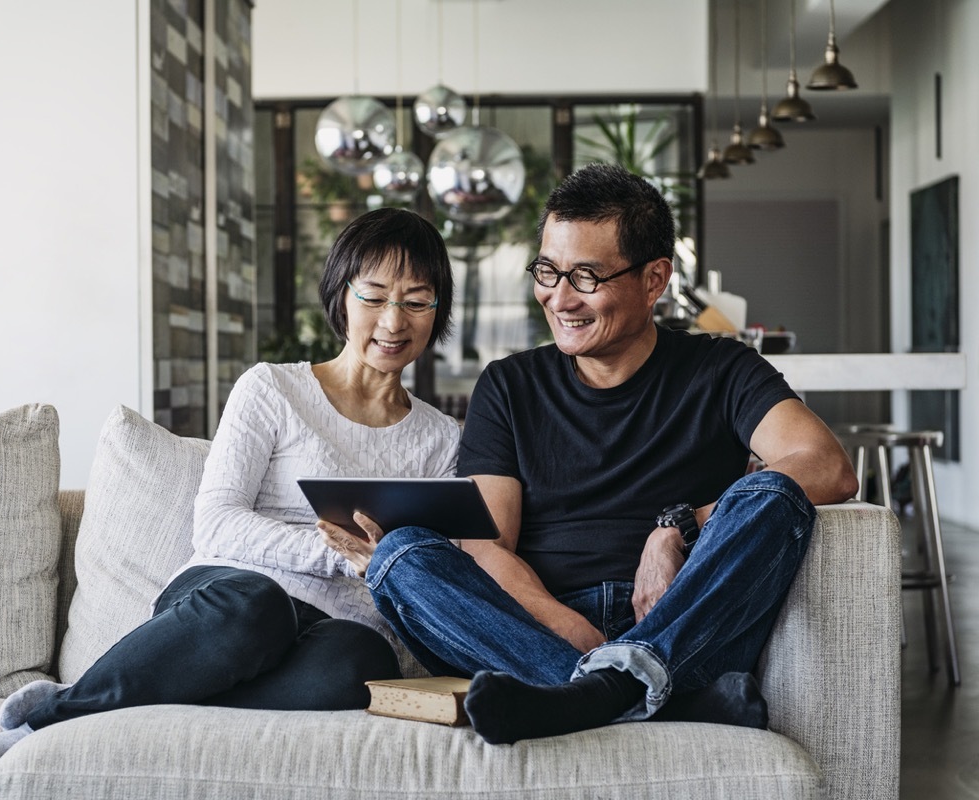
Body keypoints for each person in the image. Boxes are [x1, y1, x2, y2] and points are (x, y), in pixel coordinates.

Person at [321, 164, 858, 745]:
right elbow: (487, 544)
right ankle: (645, 693)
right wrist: (567, 627)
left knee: (774, 493)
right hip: (540, 627)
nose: (560, 297)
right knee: (399, 556)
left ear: (655, 280)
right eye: (548, 271)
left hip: (685, 613)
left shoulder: (722, 369)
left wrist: (678, 527)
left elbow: (826, 466)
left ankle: (586, 696)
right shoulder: (509, 385)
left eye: (586, 276)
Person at [0, 207, 460, 768]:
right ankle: (49, 723)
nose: (394, 321)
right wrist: (341, 554)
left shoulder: (442, 440)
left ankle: (129, 704)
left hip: (330, 632)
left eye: (416, 301)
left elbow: (430, 559)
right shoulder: (272, 388)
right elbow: (217, 521)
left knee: (359, 662)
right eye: (374, 296)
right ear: (342, 296)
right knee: (260, 605)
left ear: (436, 313)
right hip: (225, 602)